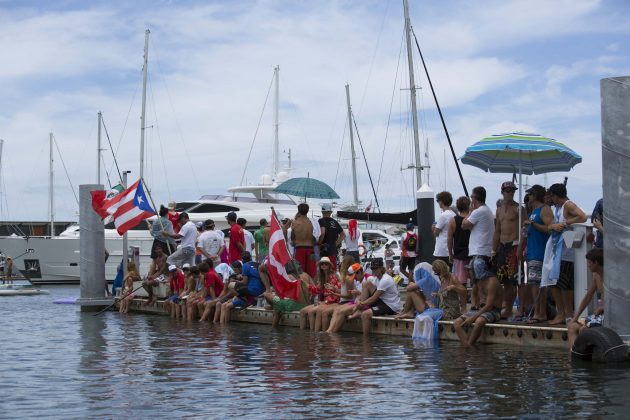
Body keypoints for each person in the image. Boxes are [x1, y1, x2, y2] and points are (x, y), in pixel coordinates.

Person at [542, 183, 587, 324]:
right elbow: (552, 225)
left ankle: (566, 313)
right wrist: (554, 226)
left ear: (556, 195)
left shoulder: (568, 205)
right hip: (557, 251)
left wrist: (566, 223)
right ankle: (562, 312)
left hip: (566, 251)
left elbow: (582, 216)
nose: (551, 199)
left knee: (563, 284)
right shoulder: (557, 208)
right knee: (554, 282)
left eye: (552, 196)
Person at [492, 181, 526, 319]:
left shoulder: (519, 209)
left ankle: (521, 308)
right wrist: (493, 251)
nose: (510, 193)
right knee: (505, 280)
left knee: (518, 280)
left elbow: (524, 230)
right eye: (507, 191)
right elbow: (497, 231)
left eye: (512, 191)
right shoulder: (499, 209)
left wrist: (521, 248)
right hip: (502, 246)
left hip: (514, 245)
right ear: (502, 192)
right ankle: (508, 307)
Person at [520, 185, 553, 324]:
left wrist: (533, 224)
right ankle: (538, 312)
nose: (528, 198)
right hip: (532, 252)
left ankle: (541, 313)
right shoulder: (533, 211)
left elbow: (550, 229)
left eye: (530, 195)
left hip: (541, 252)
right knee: (533, 283)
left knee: (539, 284)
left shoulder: (544, 209)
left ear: (535, 195)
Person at [453, 259, 504, 347]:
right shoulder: (477, 281)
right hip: (480, 309)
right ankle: (467, 346)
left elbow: (489, 306)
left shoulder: (492, 282)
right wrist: (473, 306)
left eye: (470, 270)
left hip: (494, 311)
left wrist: (472, 318)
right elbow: (473, 293)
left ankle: (469, 345)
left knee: (479, 321)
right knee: (457, 323)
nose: (468, 272)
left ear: (477, 270)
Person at [462, 186, 495, 313]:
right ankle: (478, 303)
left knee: (480, 280)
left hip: (479, 250)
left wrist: (470, 211)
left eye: (471, 197)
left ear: (475, 198)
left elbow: (464, 225)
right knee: (476, 280)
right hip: (482, 250)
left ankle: (483, 302)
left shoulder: (478, 211)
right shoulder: (487, 210)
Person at [348, 258, 401, 334]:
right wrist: (360, 300)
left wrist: (359, 305)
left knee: (365, 314)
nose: (373, 270)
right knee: (366, 284)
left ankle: (365, 341)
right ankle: (360, 310)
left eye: (375, 268)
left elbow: (373, 299)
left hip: (391, 306)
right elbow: (368, 292)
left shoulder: (385, 279)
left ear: (381, 269)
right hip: (382, 302)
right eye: (372, 268)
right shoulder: (375, 279)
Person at [568, 248, 604, 350]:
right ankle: (573, 360)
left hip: (610, 316)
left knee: (583, 329)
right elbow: (588, 296)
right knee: (572, 327)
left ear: (596, 263)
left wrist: (603, 307)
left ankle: (584, 359)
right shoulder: (595, 275)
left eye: (589, 262)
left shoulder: (610, 275)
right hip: (599, 316)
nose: (587, 265)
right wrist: (575, 317)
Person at [326, 262, 372, 333]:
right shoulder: (358, 280)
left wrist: (358, 293)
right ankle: (329, 330)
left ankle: (333, 333)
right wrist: (335, 290)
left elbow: (372, 295)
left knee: (341, 312)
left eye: (354, 276)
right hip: (356, 301)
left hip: (363, 303)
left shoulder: (369, 278)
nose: (354, 279)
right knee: (337, 310)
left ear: (359, 272)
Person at [298, 256, 341, 331]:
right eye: (322, 264)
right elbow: (316, 290)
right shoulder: (322, 277)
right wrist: (305, 284)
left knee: (315, 312)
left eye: (326, 264)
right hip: (326, 302)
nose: (324, 265)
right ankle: (305, 333)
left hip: (334, 302)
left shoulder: (334, 276)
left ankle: (317, 333)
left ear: (329, 266)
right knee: (302, 311)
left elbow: (336, 292)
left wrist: (325, 301)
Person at [448, 196, 472, 309]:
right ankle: (476, 305)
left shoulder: (453, 220)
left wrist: (450, 253)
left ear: (457, 207)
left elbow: (449, 239)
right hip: (472, 253)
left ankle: (463, 307)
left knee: (461, 284)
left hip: (459, 255)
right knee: (476, 282)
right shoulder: (472, 218)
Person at [291, 203, 317, 277]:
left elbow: (293, 238)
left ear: (298, 210)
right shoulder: (312, 222)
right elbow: (316, 237)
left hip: (299, 248)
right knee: (312, 272)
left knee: (299, 272)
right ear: (308, 211)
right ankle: (312, 287)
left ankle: (302, 288)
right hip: (311, 249)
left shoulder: (294, 222)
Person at [318, 203, 344, 269]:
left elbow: (322, 233)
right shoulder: (335, 222)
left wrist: (319, 244)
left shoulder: (320, 221)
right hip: (333, 250)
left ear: (322, 212)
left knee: (323, 271)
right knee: (332, 270)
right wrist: (335, 244)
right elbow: (343, 235)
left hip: (323, 250)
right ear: (330, 212)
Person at [433, 191, 455, 266]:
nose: (438, 203)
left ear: (441, 201)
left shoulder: (443, 216)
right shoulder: (453, 214)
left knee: (440, 275)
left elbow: (435, 233)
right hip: (451, 250)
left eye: (438, 201)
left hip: (441, 251)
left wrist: (433, 227)